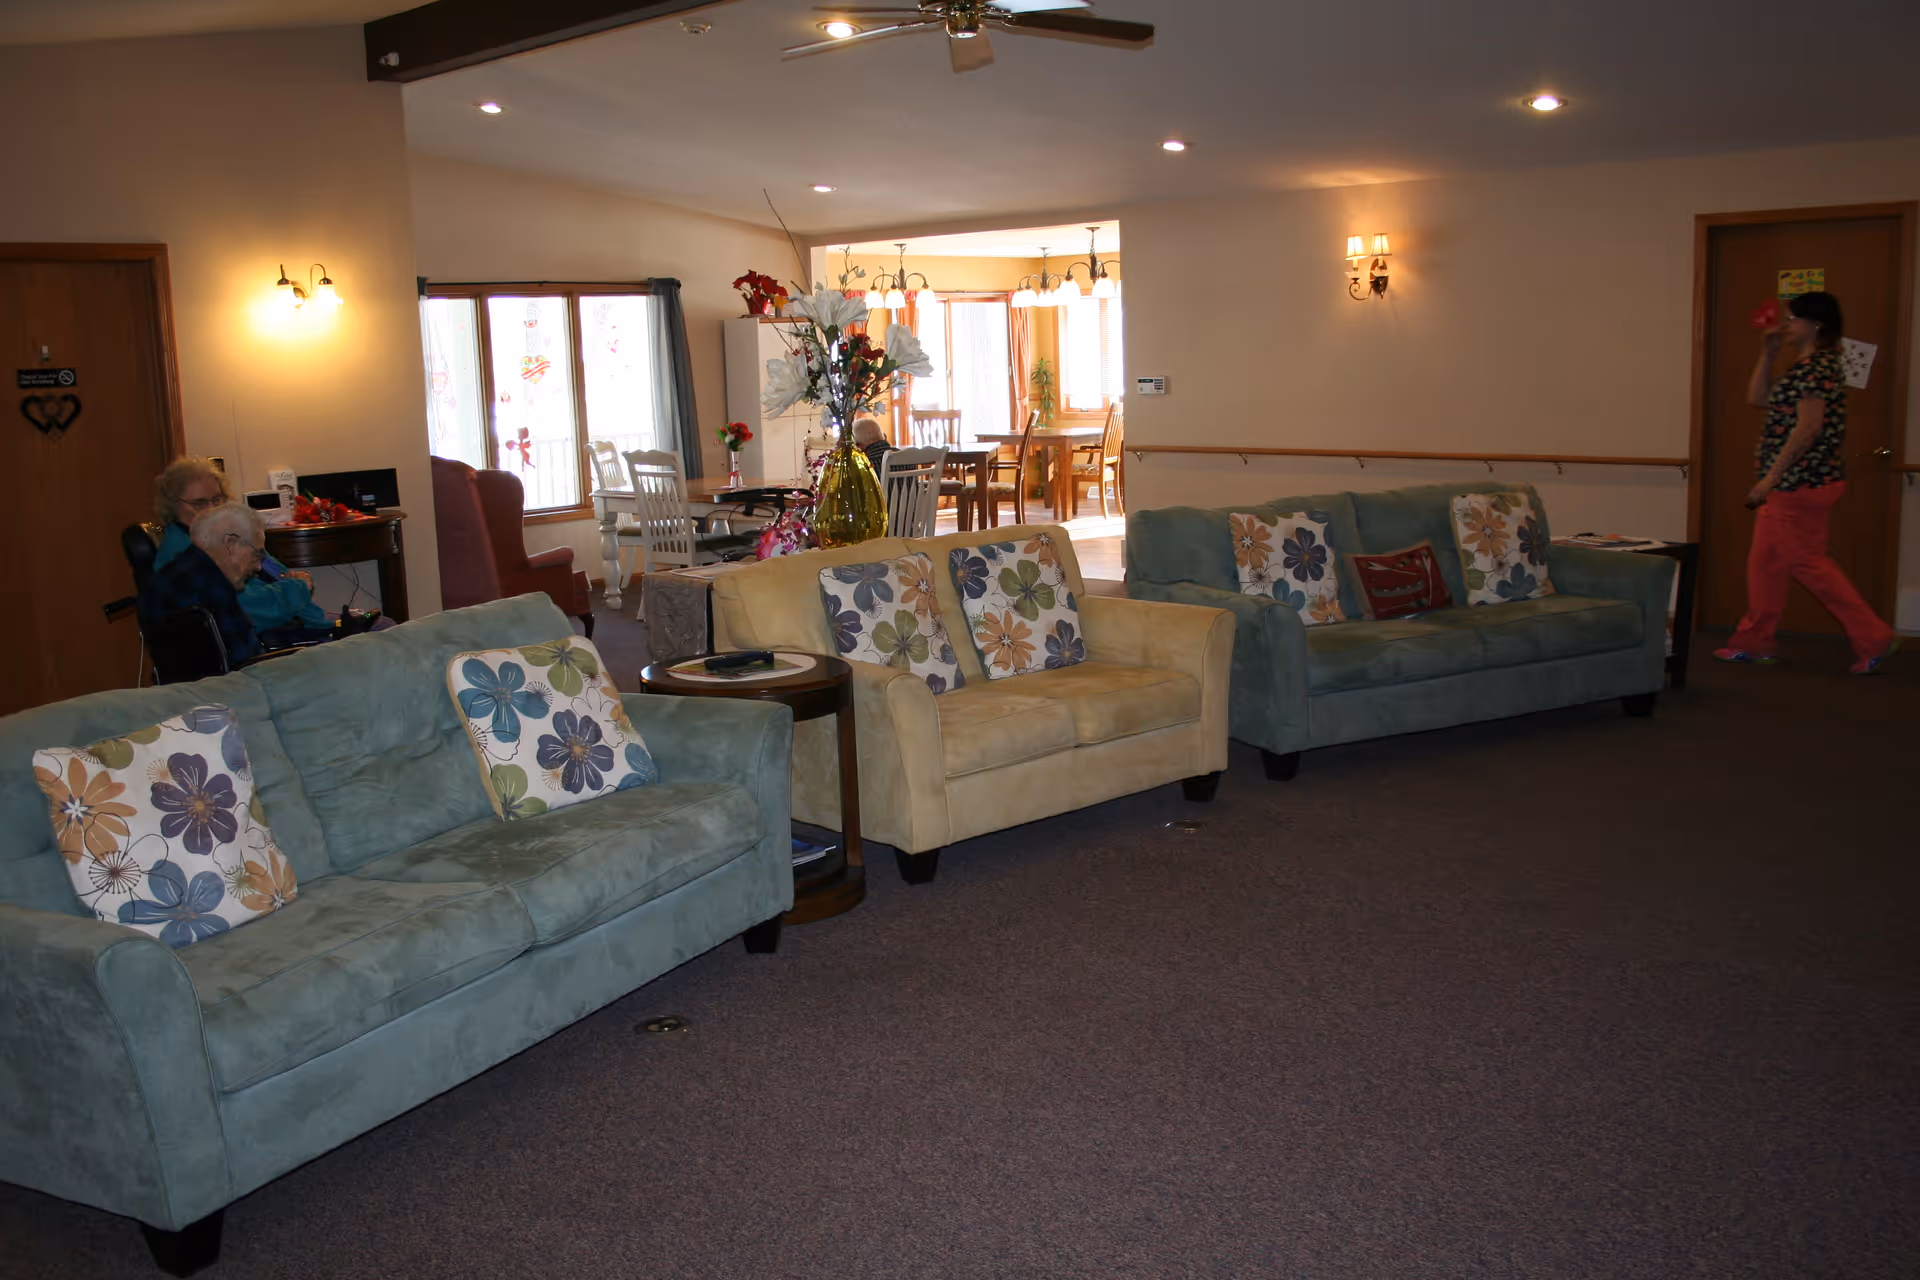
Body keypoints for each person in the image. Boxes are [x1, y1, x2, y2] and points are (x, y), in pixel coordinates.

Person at [1716, 292, 1898, 674]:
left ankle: (1874, 636)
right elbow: (1756, 397)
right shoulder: (1803, 366)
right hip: (1794, 485)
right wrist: (1767, 354)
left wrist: (1769, 479)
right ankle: (1754, 641)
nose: (1786, 325)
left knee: (1809, 565)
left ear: (1815, 324)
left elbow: (1809, 428)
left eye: (1792, 318)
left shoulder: (1817, 368)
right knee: (1765, 563)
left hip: (1800, 485)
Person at [152, 456, 333, 647]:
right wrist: (299, 586)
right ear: (173, 505)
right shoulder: (190, 552)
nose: (211, 509)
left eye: (217, 500)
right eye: (199, 503)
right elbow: (253, 610)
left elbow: (280, 578)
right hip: (269, 648)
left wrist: (295, 585)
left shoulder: (223, 537)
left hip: (303, 628)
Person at [138, 503, 271, 665]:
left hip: (190, 687)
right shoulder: (211, 585)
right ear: (230, 544)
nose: (258, 566)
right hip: (230, 686)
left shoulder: (174, 574)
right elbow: (245, 662)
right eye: (256, 554)